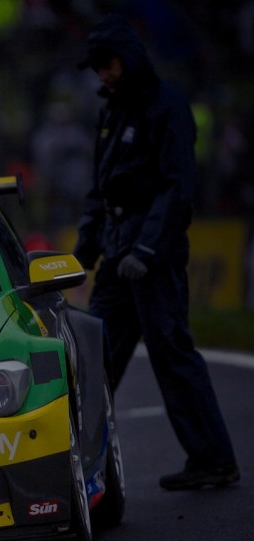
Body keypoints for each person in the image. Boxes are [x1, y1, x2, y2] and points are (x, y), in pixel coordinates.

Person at [71, 14, 239, 491]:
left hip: (153, 256)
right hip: (118, 252)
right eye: (96, 66)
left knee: (171, 353)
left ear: (128, 57)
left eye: (107, 63)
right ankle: (78, 465)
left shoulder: (167, 107)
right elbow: (99, 190)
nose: (102, 73)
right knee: (93, 357)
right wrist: (82, 255)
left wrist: (147, 247)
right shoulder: (112, 111)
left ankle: (214, 459)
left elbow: (177, 186)